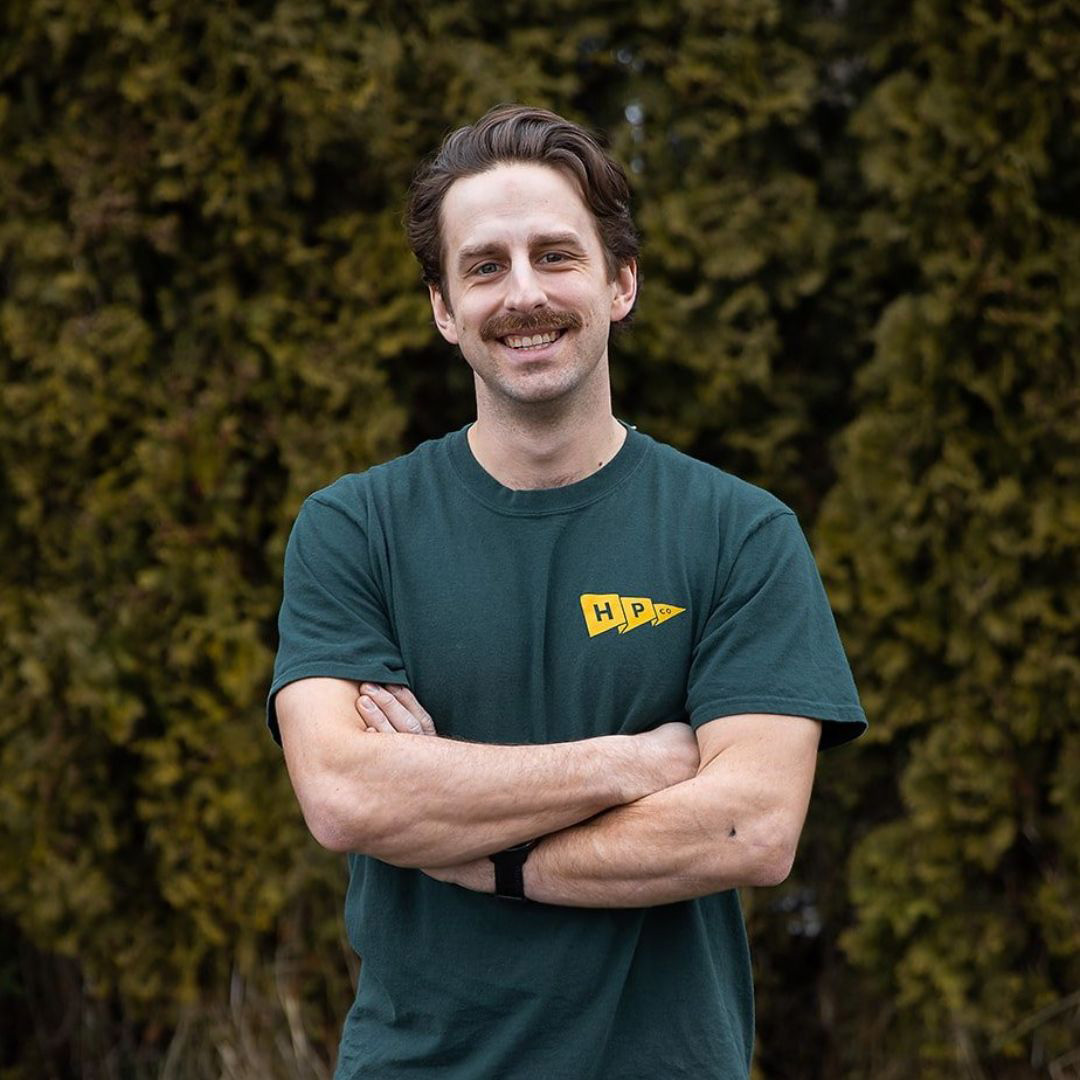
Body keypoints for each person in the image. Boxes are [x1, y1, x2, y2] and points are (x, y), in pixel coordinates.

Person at [268, 104, 866, 1080]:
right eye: (485, 266)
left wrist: (479, 852)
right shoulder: (354, 529)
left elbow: (748, 826)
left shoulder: (739, 532)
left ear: (619, 282)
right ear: (442, 308)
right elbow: (343, 797)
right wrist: (637, 763)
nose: (523, 295)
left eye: (555, 256)